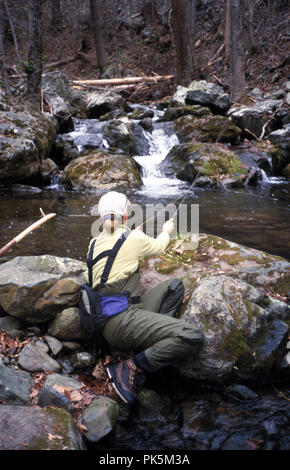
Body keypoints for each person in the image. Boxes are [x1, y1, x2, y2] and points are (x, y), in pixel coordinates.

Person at [86, 191, 204, 406]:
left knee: (173, 287)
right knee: (192, 336)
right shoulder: (133, 238)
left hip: (107, 321)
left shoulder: (93, 243)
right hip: (123, 322)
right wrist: (166, 231)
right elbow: (159, 246)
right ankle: (130, 366)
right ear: (124, 217)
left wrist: (133, 236)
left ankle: (149, 341)